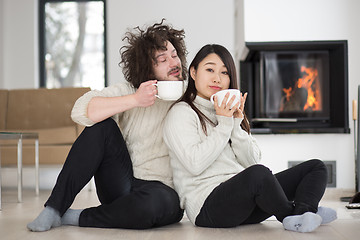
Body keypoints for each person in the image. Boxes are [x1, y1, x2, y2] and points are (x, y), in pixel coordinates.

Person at [27, 19, 187, 231]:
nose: (173, 63)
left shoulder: (190, 95)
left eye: (174, 55)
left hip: (162, 191)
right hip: (122, 182)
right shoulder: (131, 91)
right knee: (100, 126)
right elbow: (81, 110)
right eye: (162, 59)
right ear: (147, 68)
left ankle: (76, 217)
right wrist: (135, 100)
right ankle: (55, 208)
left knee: (152, 206)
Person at [163, 44, 337, 232]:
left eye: (225, 72)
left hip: (244, 201)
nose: (217, 78)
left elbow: (251, 162)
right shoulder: (181, 113)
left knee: (315, 167)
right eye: (210, 69)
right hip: (208, 207)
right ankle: (292, 216)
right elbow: (195, 164)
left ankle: (305, 213)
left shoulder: (227, 113)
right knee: (259, 174)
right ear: (194, 72)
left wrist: (236, 126)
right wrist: (224, 125)